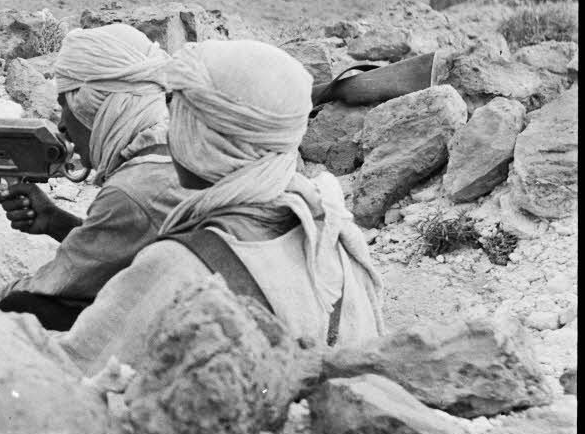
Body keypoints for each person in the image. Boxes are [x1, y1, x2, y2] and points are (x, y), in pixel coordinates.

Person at [59, 37, 386, 374]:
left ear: (202, 136)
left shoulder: (179, 264)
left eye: (179, 118)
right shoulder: (326, 225)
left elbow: (81, 369)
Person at [0, 22, 191, 328]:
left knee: (23, 306)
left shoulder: (133, 189)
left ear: (95, 106)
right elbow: (122, 246)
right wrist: (54, 220)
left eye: (65, 106)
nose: (61, 125)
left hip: (168, 326)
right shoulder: (175, 152)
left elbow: (59, 280)